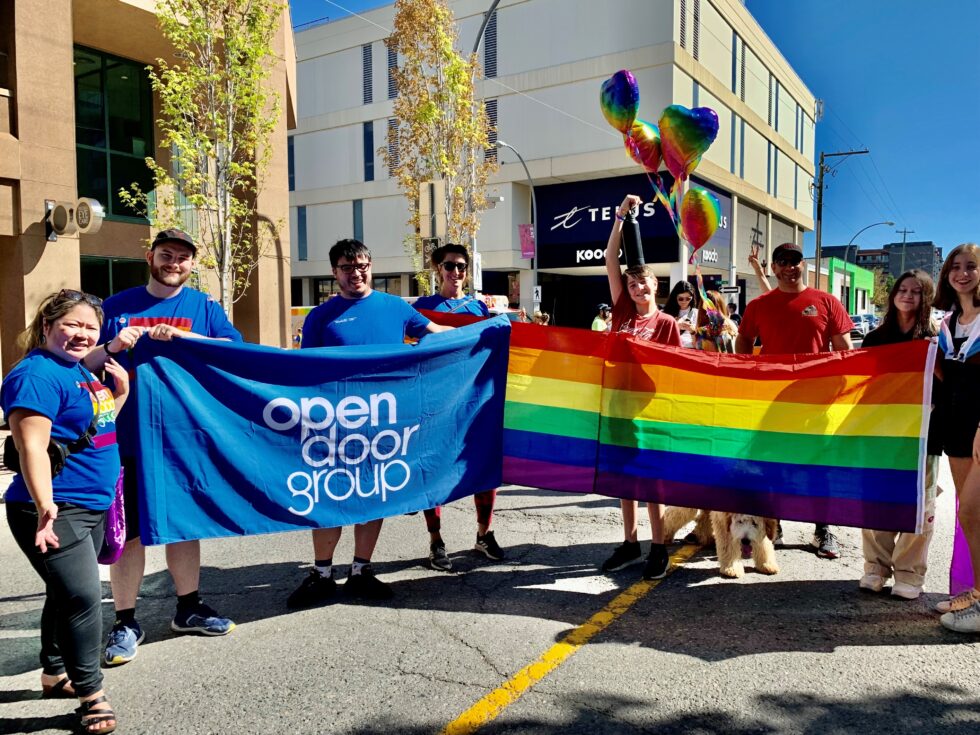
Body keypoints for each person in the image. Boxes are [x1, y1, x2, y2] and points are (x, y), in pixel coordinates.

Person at [92, 228, 243, 667]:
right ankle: (125, 621)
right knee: (128, 531)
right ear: (150, 257)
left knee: (183, 524)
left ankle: (189, 607)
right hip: (126, 437)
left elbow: (235, 349)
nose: (174, 262)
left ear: (192, 264)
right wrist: (115, 344)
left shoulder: (202, 306)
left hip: (182, 437)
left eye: (182, 256)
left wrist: (186, 338)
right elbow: (83, 360)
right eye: (166, 254)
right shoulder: (115, 307)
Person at [287, 238, 453, 607]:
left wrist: (489, 333)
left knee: (373, 495)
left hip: (381, 425)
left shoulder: (396, 308)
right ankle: (323, 573)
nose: (356, 273)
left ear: (370, 266)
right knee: (328, 496)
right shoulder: (320, 317)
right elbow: (304, 371)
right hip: (333, 425)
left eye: (362, 265)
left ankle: (361, 569)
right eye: (347, 267)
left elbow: (439, 337)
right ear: (334, 273)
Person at [2, 290, 129, 733]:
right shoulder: (36, 375)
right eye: (72, 324)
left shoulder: (76, 369)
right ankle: (91, 694)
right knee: (82, 597)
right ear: (46, 325)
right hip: (57, 509)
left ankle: (55, 673)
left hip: (91, 504)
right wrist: (45, 505)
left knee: (65, 593)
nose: (82, 334)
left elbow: (97, 427)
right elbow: (30, 446)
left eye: (90, 327)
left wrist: (121, 393)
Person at [735, 241, 853, 558]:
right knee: (775, 466)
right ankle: (777, 527)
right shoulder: (758, 306)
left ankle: (822, 530)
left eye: (796, 260)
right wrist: (746, 375)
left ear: (804, 265)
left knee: (818, 467)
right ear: (773, 268)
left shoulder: (826, 302)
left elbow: (846, 350)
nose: (790, 266)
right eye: (783, 261)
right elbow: (743, 339)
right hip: (773, 403)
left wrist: (841, 384)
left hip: (816, 404)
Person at [601, 194, 682, 579]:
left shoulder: (666, 323)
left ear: (656, 285)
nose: (636, 287)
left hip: (652, 411)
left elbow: (676, 370)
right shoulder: (620, 311)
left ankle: (659, 546)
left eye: (643, 281)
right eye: (631, 282)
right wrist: (620, 216)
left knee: (653, 483)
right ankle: (630, 543)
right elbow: (609, 259)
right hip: (619, 407)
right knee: (625, 479)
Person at [412, 243, 505, 571]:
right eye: (449, 266)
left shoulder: (479, 308)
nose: (456, 272)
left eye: (461, 267)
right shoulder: (422, 307)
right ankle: (436, 541)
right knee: (432, 471)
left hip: (474, 402)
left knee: (484, 468)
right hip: (435, 403)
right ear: (438, 268)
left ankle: (484, 534)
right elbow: (410, 352)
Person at [858, 270, 941, 600]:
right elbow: (861, 387)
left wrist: (933, 360)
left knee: (920, 503)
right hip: (880, 435)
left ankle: (909, 572)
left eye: (916, 291)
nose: (908, 295)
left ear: (927, 298)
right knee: (876, 500)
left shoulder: (938, 339)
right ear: (892, 296)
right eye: (902, 289)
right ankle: (875, 567)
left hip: (923, 437)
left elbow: (951, 388)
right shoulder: (874, 339)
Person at [931, 244, 980, 632]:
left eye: (971, 267)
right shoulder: (949, 322)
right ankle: (975, 594)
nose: (963, 273)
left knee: (971, 512)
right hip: (956, 430)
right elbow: (950, 378)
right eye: (956, 267)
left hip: (979, 429)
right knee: (971, 516)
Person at [663, 281, 698, 348]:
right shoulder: (665, 313)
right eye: (680, 299)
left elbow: (700, 344)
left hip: (690, 351)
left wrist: (692, 331)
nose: (684, 301)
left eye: (688, 298)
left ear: (692, 298)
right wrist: (674, 327)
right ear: (675, 297)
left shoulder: (697, 313)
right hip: (672, 350)